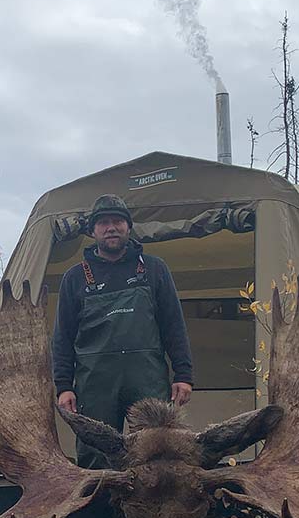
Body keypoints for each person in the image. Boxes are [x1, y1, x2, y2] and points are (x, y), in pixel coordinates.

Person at [52, 194, 193, 466]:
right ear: (93, 231)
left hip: (148, 377)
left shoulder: (154, 269)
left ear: (128, 227)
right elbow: (62, 339)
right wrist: (63, 387)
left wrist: (184, 374)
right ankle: (98, 508)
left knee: (159, 452)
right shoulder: (75, 278)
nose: (111, 228)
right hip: (95, 384)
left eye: (117, 221)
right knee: (96, 457)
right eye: (103, 223)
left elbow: (174, 326)